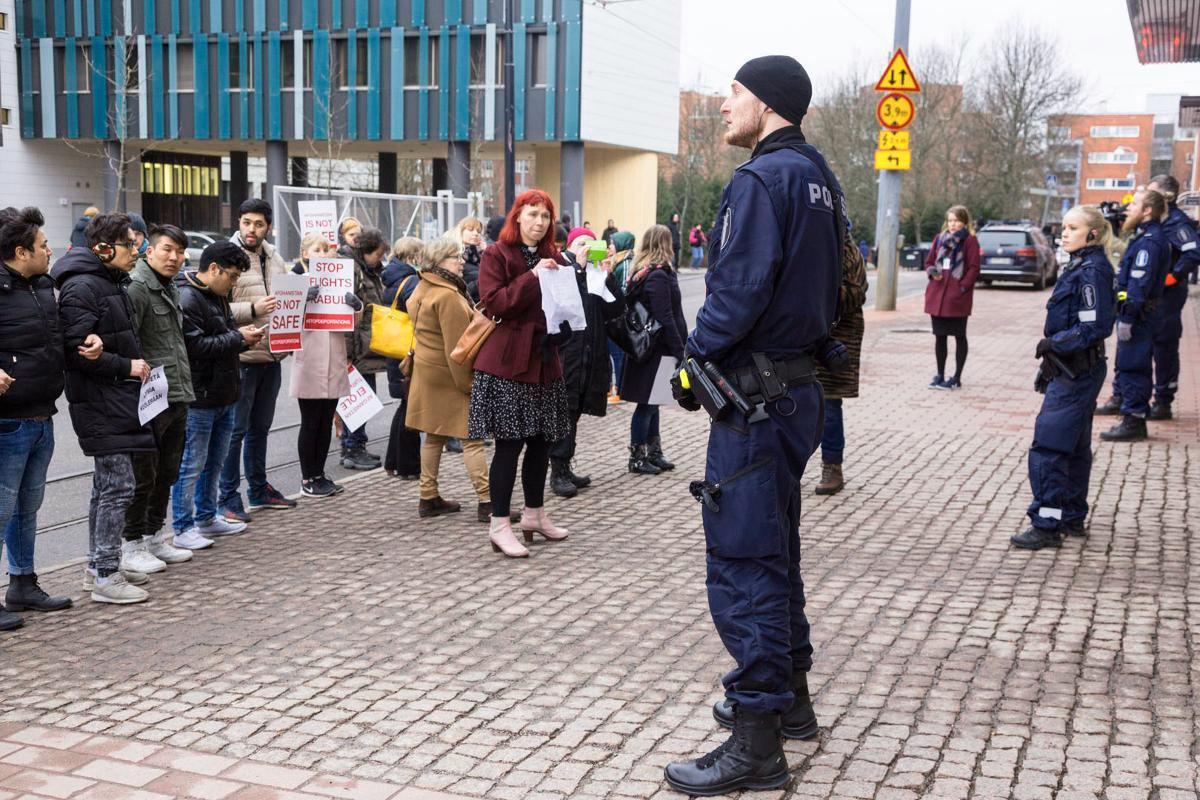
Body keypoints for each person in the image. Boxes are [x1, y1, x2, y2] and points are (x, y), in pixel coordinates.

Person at [663, 55, 840, 795]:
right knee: (777, 552)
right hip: (798, 394)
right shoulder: (819, 178)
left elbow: (734, 292)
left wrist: (689, 362)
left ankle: (757, 741)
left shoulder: (759, 181)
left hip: (754, 400)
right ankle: (789, 703)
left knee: (744, 563)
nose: (722, 102)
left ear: (765, 102)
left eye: (733, 91)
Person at [52, 212, 157, 605]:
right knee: (117, 487)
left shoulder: (109, 281)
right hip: (100, 401)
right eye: (130, 244)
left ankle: (100, 565)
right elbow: (78, 352)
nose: (137, 251)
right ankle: (106, 575)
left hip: (115, 399)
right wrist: (125, 366)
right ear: (102, 248)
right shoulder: (83, 287)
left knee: (107, 487)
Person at [469, 189, 573, 559]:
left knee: (542, 442)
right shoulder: (496, 254)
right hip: (508, 363)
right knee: (509, 446)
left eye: (545, 216)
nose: (539, 222)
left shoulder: (553, 255)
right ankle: (500, 524)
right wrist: (533, 276)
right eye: (532, 215)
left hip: (544, 360)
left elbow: (561, 305)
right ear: (517, 218)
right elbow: (496, 302)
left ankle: (534, 515)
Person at [1011, 206, 1116, 550]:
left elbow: (1093, 327)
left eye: (1073, 228)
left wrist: (1054, 343)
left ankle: (1047, 524)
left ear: (1093, 234)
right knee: (1072, 446)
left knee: (1050, 446)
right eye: (1065, 227)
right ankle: (1070, 516)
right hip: (1073, 368)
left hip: (1077, 371)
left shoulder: (1091, 271)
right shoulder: (1082, 265)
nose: (1065, 233)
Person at [0, 207, 79, 629]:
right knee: (0, 510)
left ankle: (23, 583)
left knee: (27, 509)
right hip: (7, 421)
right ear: (20, 251)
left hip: (41, 414)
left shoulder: (42, 285)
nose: (51, 250)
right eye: (43, 246)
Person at [174, 242, 264, 549]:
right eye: (233, 276)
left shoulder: (216, 296)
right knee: (192, 464)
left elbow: (219, 338)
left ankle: (207, 518)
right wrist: (238, 337)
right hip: (201, 395)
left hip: (223, 392)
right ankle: (183, 525)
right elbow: (195, 347)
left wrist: (241, 339)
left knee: (213, 461)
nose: (235, 282)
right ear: (214, 269)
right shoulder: (188, 297)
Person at [121, 224, 196, 575]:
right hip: (149, 398)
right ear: (148, 251)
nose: (174, 257)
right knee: (144, 474)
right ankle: (131, 543)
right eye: (167, 249)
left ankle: (153, 536)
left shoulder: (170, 286)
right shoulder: (138, 287)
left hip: (175, 392)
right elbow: (128, 340)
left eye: (179, 252)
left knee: (167, 471)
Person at [218, 198, 295, 522]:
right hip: (242, 356)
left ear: (268, 227)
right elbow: (213, 308)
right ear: (239, 222)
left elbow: (289, 295)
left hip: (271, 356)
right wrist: (252, 310)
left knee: (260, 429)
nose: (252, 229)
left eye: (258, 224)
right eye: (247, 222)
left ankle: (259, 489)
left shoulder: (273, 256)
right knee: (235, 431)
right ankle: (228, 498)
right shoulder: (223, 256)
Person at [406, 240, 492, 521]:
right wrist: (469, 385)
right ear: (440, 261)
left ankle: (427, 497)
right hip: (449, 375)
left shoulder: (421, 286)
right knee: (472, 440)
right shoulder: (448, 296)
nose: (461, 261)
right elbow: (459, 350)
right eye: (455, 257)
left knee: (433, 435)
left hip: (428, 372)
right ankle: (487, 501)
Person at [548, 228, 623, 497]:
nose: (587, 249)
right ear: (570, 246)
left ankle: (565, 466)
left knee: (576, 411)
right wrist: (578, 270)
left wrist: (608, 276)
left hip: (590, 354)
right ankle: (557, 471)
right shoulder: (561, 269)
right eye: (581, 243)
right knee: (565, 411)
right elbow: (563, 305)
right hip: (568, 354)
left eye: (592, 245)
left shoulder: (594, 274)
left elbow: (615, 309)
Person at [289, 234, 363, 497]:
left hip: (334, 359)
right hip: (309, 361)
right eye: (316, 249)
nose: (323, 253)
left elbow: (351, 320)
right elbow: (284, 320)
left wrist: (356, 306)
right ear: (305, 253)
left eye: (326, 249)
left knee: (325, 422)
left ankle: (319, 474)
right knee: (310, 422)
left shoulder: (340, 281)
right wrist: (300, 299)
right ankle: (308, 477)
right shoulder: (296, 282)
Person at [1099, 188, 1171, 442]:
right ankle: (1133, 414)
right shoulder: (1144, 237)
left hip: (1139, 316)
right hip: (1139, 313)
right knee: (1131, 365)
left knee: (1134, 366)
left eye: (1135, 204)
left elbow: (1139, 285)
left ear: (1148, 210)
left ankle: (1134, 420)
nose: (1128, 208)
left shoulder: (1149, 243)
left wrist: (1128, 317)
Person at [619, 225, 687, 476]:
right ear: (664, 243)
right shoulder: (658, 276)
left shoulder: (646, 272)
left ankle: (654, 452)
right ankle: (637, 456)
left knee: (654, 401)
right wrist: (681, 349)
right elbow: (666, 315)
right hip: (656, 351)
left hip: (654, 350)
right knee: (647, 404)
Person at [814, 229, 868, 496]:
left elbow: (857, 292)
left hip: (837, 337)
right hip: (808, 333)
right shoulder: (810, 247)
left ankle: (832, 466)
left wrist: (819, 295)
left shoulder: (848, 252)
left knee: (829, 401)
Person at [1146, 174, 1200, 421]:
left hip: (1168, 295)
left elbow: (1193, 252)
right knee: (1145, 344)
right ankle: (1132, 397)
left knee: (1164, 345)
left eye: (1152, 191)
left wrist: (1173, 276)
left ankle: (1163, 401)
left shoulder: (1177, 223)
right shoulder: (1158, 221)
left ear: (1166, 195)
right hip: (1152, 294)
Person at [341, 227, 390, 469]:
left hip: (364, 344)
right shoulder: (352, 270)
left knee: (363, 397)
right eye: (378, 255)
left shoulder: (365, 269)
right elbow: (348, 316)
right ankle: (352, 447)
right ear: (366, 251)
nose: (380, 260)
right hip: (358, 347)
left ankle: (355, 444)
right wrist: (348, 353)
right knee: (361, 397)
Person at [923, 206, 980, 390]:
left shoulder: (970, 241)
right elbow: (929, 262)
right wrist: (933, 273)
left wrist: (962, 287)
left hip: (957, 298)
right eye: (950, 220)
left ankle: (956, 376)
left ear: (964, 221)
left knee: (959, 336)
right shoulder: (939, 239)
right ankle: (939, 374)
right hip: (937, 295)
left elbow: (973, 268)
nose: (953, 224)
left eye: (956, 220)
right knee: (940, 337)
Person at [382, 236, 424, 479]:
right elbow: (419, 314)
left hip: (396, 350)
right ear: (414, 257)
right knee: (410, 409)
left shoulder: (393, 276)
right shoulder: (411, 281)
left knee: (405, 407)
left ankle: (394, 461)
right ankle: (407, 464)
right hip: (408, 352)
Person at [448, 217, 485, 303]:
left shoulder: (479, 255)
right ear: (460, 231)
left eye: (478, 231)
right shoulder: (452, 257)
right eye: (471, 230)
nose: (476, 234)